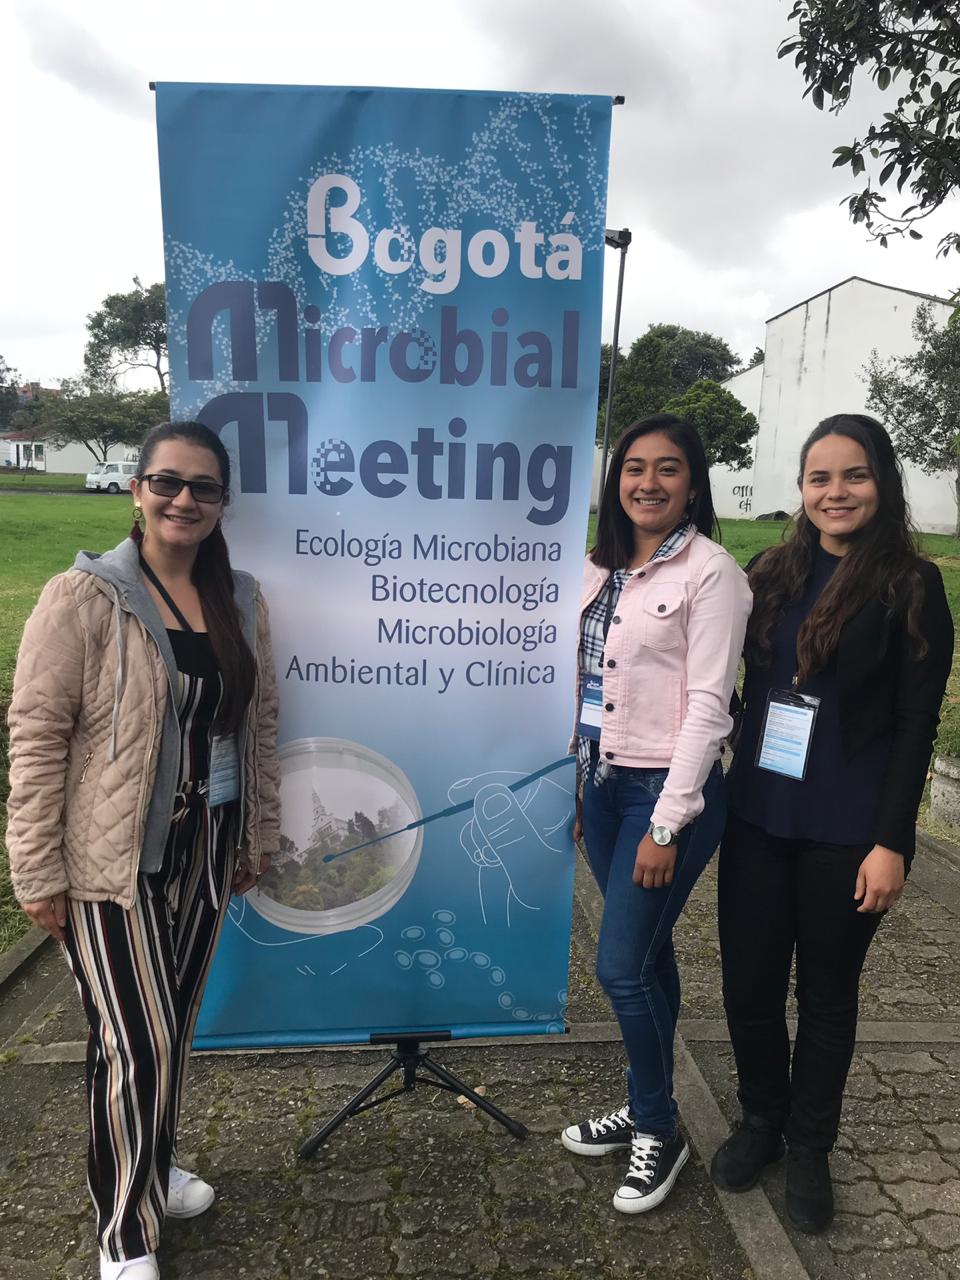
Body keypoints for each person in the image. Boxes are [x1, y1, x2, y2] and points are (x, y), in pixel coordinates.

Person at [6, 421, 280, 1280]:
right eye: (167, 482)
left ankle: (151, 1167)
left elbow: (261, 728)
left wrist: (256, 834)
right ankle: (125, 1235)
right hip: (111, 858)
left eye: (204, 487)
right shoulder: (85, 597)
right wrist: (36, 868)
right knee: (138, 1039)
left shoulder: (241, 600)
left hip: (207, 846)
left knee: (170, 1026)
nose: (183, 500)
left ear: (223, 503)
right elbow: (37, 735)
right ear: (137, 489)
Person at [711, 414, 953, 1233]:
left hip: (848, 832)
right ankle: (761, 1118)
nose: (836, 492)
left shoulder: (911, 586)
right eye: (820, 478)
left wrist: (893, 842)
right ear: (802, 488)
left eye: (854, 475)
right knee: (747, 984)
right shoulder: (771, 571)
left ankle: (810, 1146)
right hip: (756, 815)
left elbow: (917, 725)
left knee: (825, 996)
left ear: (882, 482)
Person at [559, 414, 752, 1212]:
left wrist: (669, 822)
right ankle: (649, 1104)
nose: (648, 482)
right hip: (601, 784)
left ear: (694, 484)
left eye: (668, 468)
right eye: (634, 467)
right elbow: (583, 682)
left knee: (619, 968)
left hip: (666, 793)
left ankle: (659, 1126)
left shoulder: (712, 573)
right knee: (648, 953)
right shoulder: (597, 565)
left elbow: (709, 705)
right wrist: (578, 783)